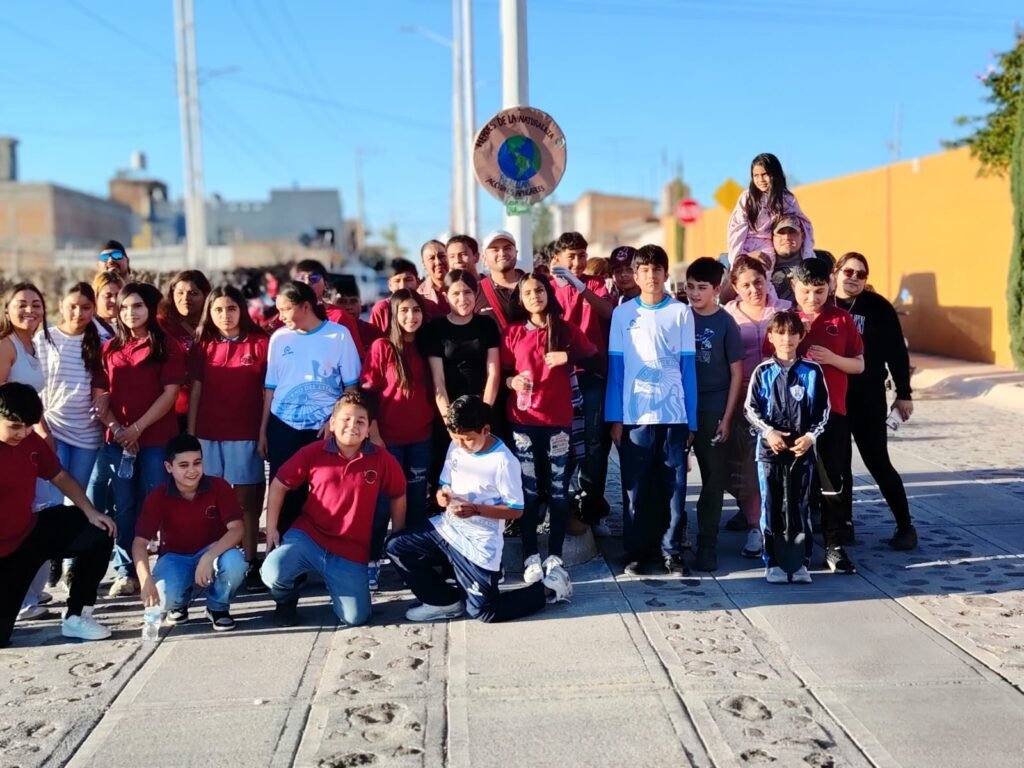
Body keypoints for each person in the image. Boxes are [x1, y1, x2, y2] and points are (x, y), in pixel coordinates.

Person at [386, 395, 572, 622]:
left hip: (479, 542)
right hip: (447, 527)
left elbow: (516, 510)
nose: (461, 445)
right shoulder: (455, 446)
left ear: (485, 429)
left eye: (467, 440)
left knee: (485, 611)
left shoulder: (503, 461)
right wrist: (441, 496)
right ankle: (443, 602)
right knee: (397, 546)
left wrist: (476, 510)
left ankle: (549, 588)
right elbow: (445, 484)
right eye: (456, 439)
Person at [261, 391, 406, 627]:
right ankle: (286, 600)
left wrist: (398, 537)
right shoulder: (313, 452)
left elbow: (398, 495)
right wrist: (271, 529)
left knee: (355, 618)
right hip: (309, 537)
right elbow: (279, 484)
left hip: (350, 550)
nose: (352, 426)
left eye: (360, 421)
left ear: (369, 428)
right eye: (346, 419)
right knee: (272, 572)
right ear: (333, 423)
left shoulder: (382, 459)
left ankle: (337, 586)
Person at [0, 383, 117, 647]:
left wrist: (90, 510)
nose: (23, 433)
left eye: (29, 426)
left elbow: (60, 475)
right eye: (15, 426)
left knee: (100, 529)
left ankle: (77, 616)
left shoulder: (30, 441)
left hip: (27, 535)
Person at [606, 245, 697, 576]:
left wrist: (692, 420)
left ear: (666, 273)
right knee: (636, 488)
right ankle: (637, 551)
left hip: (674, 416)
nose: (651, 275)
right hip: (635, 417)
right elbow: (616, 369)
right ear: (635, 275)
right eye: (643, 269)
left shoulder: (681, 313)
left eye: (657, 269)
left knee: (674, 487)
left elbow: (688, 369)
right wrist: (615, 418)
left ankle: (671, 550)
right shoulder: (622, 313)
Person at [502, 273, 597, 585]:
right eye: (527, 292)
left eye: (539, 290)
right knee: (529, 491)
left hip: (558, 424)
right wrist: (511, 381)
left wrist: (567, 356)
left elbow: (593, 356)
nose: (534, 296)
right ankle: (531, 556)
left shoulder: (564, 328)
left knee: (558, 491)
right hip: (523, 423)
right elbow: (500, 372)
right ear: (520, 299)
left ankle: (554, 557)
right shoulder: (513, 332)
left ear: (548, 293)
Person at [93, 282, 187, 597]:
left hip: (157, 440)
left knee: (159, 502)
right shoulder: (110, 348)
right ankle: (127, 571)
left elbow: (170, 394)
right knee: (125, 506)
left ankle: (168, 567)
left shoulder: (166, 346)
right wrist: (118, 428)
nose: (130, 313)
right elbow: (101, 395)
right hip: (118, 443)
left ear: (149, 308)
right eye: (123, 307)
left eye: (137, 306)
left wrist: (137, 429)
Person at [777, 260, 864, 574]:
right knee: (795, 482)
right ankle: (796, 546)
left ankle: (834, 544)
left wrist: (833, 359)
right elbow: (769, 361)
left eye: (819, 290)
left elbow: (859, 364)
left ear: (829, 286)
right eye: (805, 291)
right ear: (794, 289)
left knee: (832, 483)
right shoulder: (785, 320)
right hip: (792, 418)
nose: (812, 298)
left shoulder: (841, 319)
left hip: (832, 415)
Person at [259, 280, 361, 534]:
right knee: (285, 488)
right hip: (283, 426)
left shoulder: (338, 335)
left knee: (325, 491)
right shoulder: (279, 338)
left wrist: (334, 423)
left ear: (305, 306)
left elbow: (351, 387)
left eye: (285, 309)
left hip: (323, 428)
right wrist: (263, 430)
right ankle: (283, 556)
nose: (280, 317)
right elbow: (270, 388)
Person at [188, 285, 271, 591]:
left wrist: (263, 431)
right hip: (208, 436)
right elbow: (195, 390)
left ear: (242, 310)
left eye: (231, 308)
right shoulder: (202, 345)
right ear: (210, 313)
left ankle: (250, 562)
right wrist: (191, 433)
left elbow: (267, 393)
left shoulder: (261, 343)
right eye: (219, 309)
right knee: (209, 503)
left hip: (246, 435)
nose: (226, 315)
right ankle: (210, 562)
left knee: (248, 503)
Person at [833, 253, 918, 550]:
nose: (853, 277)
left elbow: (896, 352)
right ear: (836, 272)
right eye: (848, 271)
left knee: (877, 460)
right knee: (838, 462)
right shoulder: (823, 303)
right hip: (834, 395)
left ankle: (905, 525)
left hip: (868, 394)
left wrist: (904, 393)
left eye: (860, 274)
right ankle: (843, 526)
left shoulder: (878, 307)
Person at [744, 312, 829, 584]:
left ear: (801, 336)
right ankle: (774, 562)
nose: (786, 339)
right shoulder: (762, 371)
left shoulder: (813, 371)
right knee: (772, 504)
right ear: (770, 337)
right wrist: (768, 432)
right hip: (770, 450)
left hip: (801, 449)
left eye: (792, 333)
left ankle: (800, 562)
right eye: (780, 333)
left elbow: (823, 410)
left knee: (799, 505)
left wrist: (810, 437)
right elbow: (750, 408)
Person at [132, 434, 247, 631]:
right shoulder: (158, 496)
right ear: (169, 467)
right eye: (183, 465)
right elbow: (139, 543)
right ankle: (178, 604)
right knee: (162, 599)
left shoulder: (219, 486)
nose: (192, 471)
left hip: (213, 551)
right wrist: (145, 581)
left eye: (197, 463)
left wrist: (209, 557)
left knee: (235, 562)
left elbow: (237, 529)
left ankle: (217, 606)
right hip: (175, 556)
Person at [360, 289, 434, 588]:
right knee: (381, 505)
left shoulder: (427, 345)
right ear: (393, 314)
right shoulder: (382, 347)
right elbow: (369, 392)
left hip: (421, 438)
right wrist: (374, 435)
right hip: (387, 440)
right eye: (404, 311)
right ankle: (372, 560)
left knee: (416, 504)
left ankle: (410, 562)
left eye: (416, 310)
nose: (410, 316)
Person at [36, 283, 105, 589]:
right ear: (61, 304)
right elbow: (35, 387)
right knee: (51, 501)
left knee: (77, 502)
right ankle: (49, 559)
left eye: (86, 307)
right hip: (53, 430)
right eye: (73, 306)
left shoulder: (101, 340)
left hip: (87, 434)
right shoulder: (45, 338)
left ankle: (71, 565)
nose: (79, 313)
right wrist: (42, 429)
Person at [722, 255, 792, 555]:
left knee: (777, 468)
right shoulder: (727, 316)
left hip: (783, 403)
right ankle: (755, 524)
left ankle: (780, 526)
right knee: (744, 468)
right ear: (735, 287)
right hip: (740, 400)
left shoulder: (786, 311)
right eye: (746, 285)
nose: (754, 290)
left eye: (759, 282)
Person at [549, 232, 614, 532]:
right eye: (571, 256)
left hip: (592, 376)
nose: (577, 262)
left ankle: (593, 509)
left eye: (582, 255)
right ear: (557, 259)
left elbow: (607, 311)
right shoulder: (547, 288)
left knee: (593, 444)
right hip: (557, 377)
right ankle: (559, 507)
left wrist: (580, 287)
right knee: (559, 444)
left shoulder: (596, 284)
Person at [684, 258, 745, 571]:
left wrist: (727, 416)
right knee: (674, 478)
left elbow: (737, 373)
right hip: (681, 407)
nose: (694, 293)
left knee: (712, 479)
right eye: (690, 286)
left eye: (701, 288)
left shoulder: (725, 323)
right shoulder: (679, 317)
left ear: (716, 289)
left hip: (714, 408)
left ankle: (707, 544)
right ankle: (675, 538)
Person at [0, 283, 54, 618]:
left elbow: (33, 402)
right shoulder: (5, 346)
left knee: (37, 511)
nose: (30, 310)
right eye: (22, 304)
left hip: (29, 439)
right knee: (16, 516)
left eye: (36, 304)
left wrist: (44, 432)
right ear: (7, 309)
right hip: (9, 443)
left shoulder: (32, 345)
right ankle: (20, 598)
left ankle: (33, 590)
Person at [727, 152, 815, 269]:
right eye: (756, 175)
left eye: (765, 174)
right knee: (740, 273)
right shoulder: (747, 198)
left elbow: (803, 224)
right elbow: (737, 229)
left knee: (764, 268)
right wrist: (738, 257)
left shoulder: (787, 199)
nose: (760, 180)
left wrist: (808, 254)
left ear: (775, 174)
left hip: (766, 244)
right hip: (744, 242)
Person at [160, 270, 212, 432]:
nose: (185, 299)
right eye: (180, 293)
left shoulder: (218, 325)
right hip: (173, 411)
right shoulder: (162, 325)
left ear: (206, 295)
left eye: (193, 293)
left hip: (209, 409)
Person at [288, 259, 366, 360]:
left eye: (314, 278)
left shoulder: (339, 316)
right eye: (301, 278)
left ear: (326, 284)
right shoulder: (285, 317)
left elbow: (357, 359)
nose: (307, 283)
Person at [475, 230, 525, 329]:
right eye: (495, 250)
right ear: (484, 257)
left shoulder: (536, 286)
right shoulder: (475, 292)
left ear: (516, 252)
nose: (502, 253)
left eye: (507, 248)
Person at [369, 259, 420, 333]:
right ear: (390, 285)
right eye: (397, 281)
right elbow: (373, 340)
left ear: (418, 282)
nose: (402, 286)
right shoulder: (381, 309)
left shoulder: (427, 306)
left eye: (408, 280)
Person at [332, 280, 383, 349]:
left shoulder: (373, 332)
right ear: (331, 304)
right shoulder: (325, 332)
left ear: (361, 304)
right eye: (342, 301)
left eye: (353, 301)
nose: (348, 307)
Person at [417, 239, 450, 318]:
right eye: (431, 258)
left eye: (442, 256)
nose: (438, 262)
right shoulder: (419, 295)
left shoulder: (463, 285)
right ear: (424, 264)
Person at [92, 270, 124, 340]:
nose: (114, 300)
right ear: (95, 297)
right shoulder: (90, 328)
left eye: (117, 295)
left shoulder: (123, 326)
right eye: (108, 296)